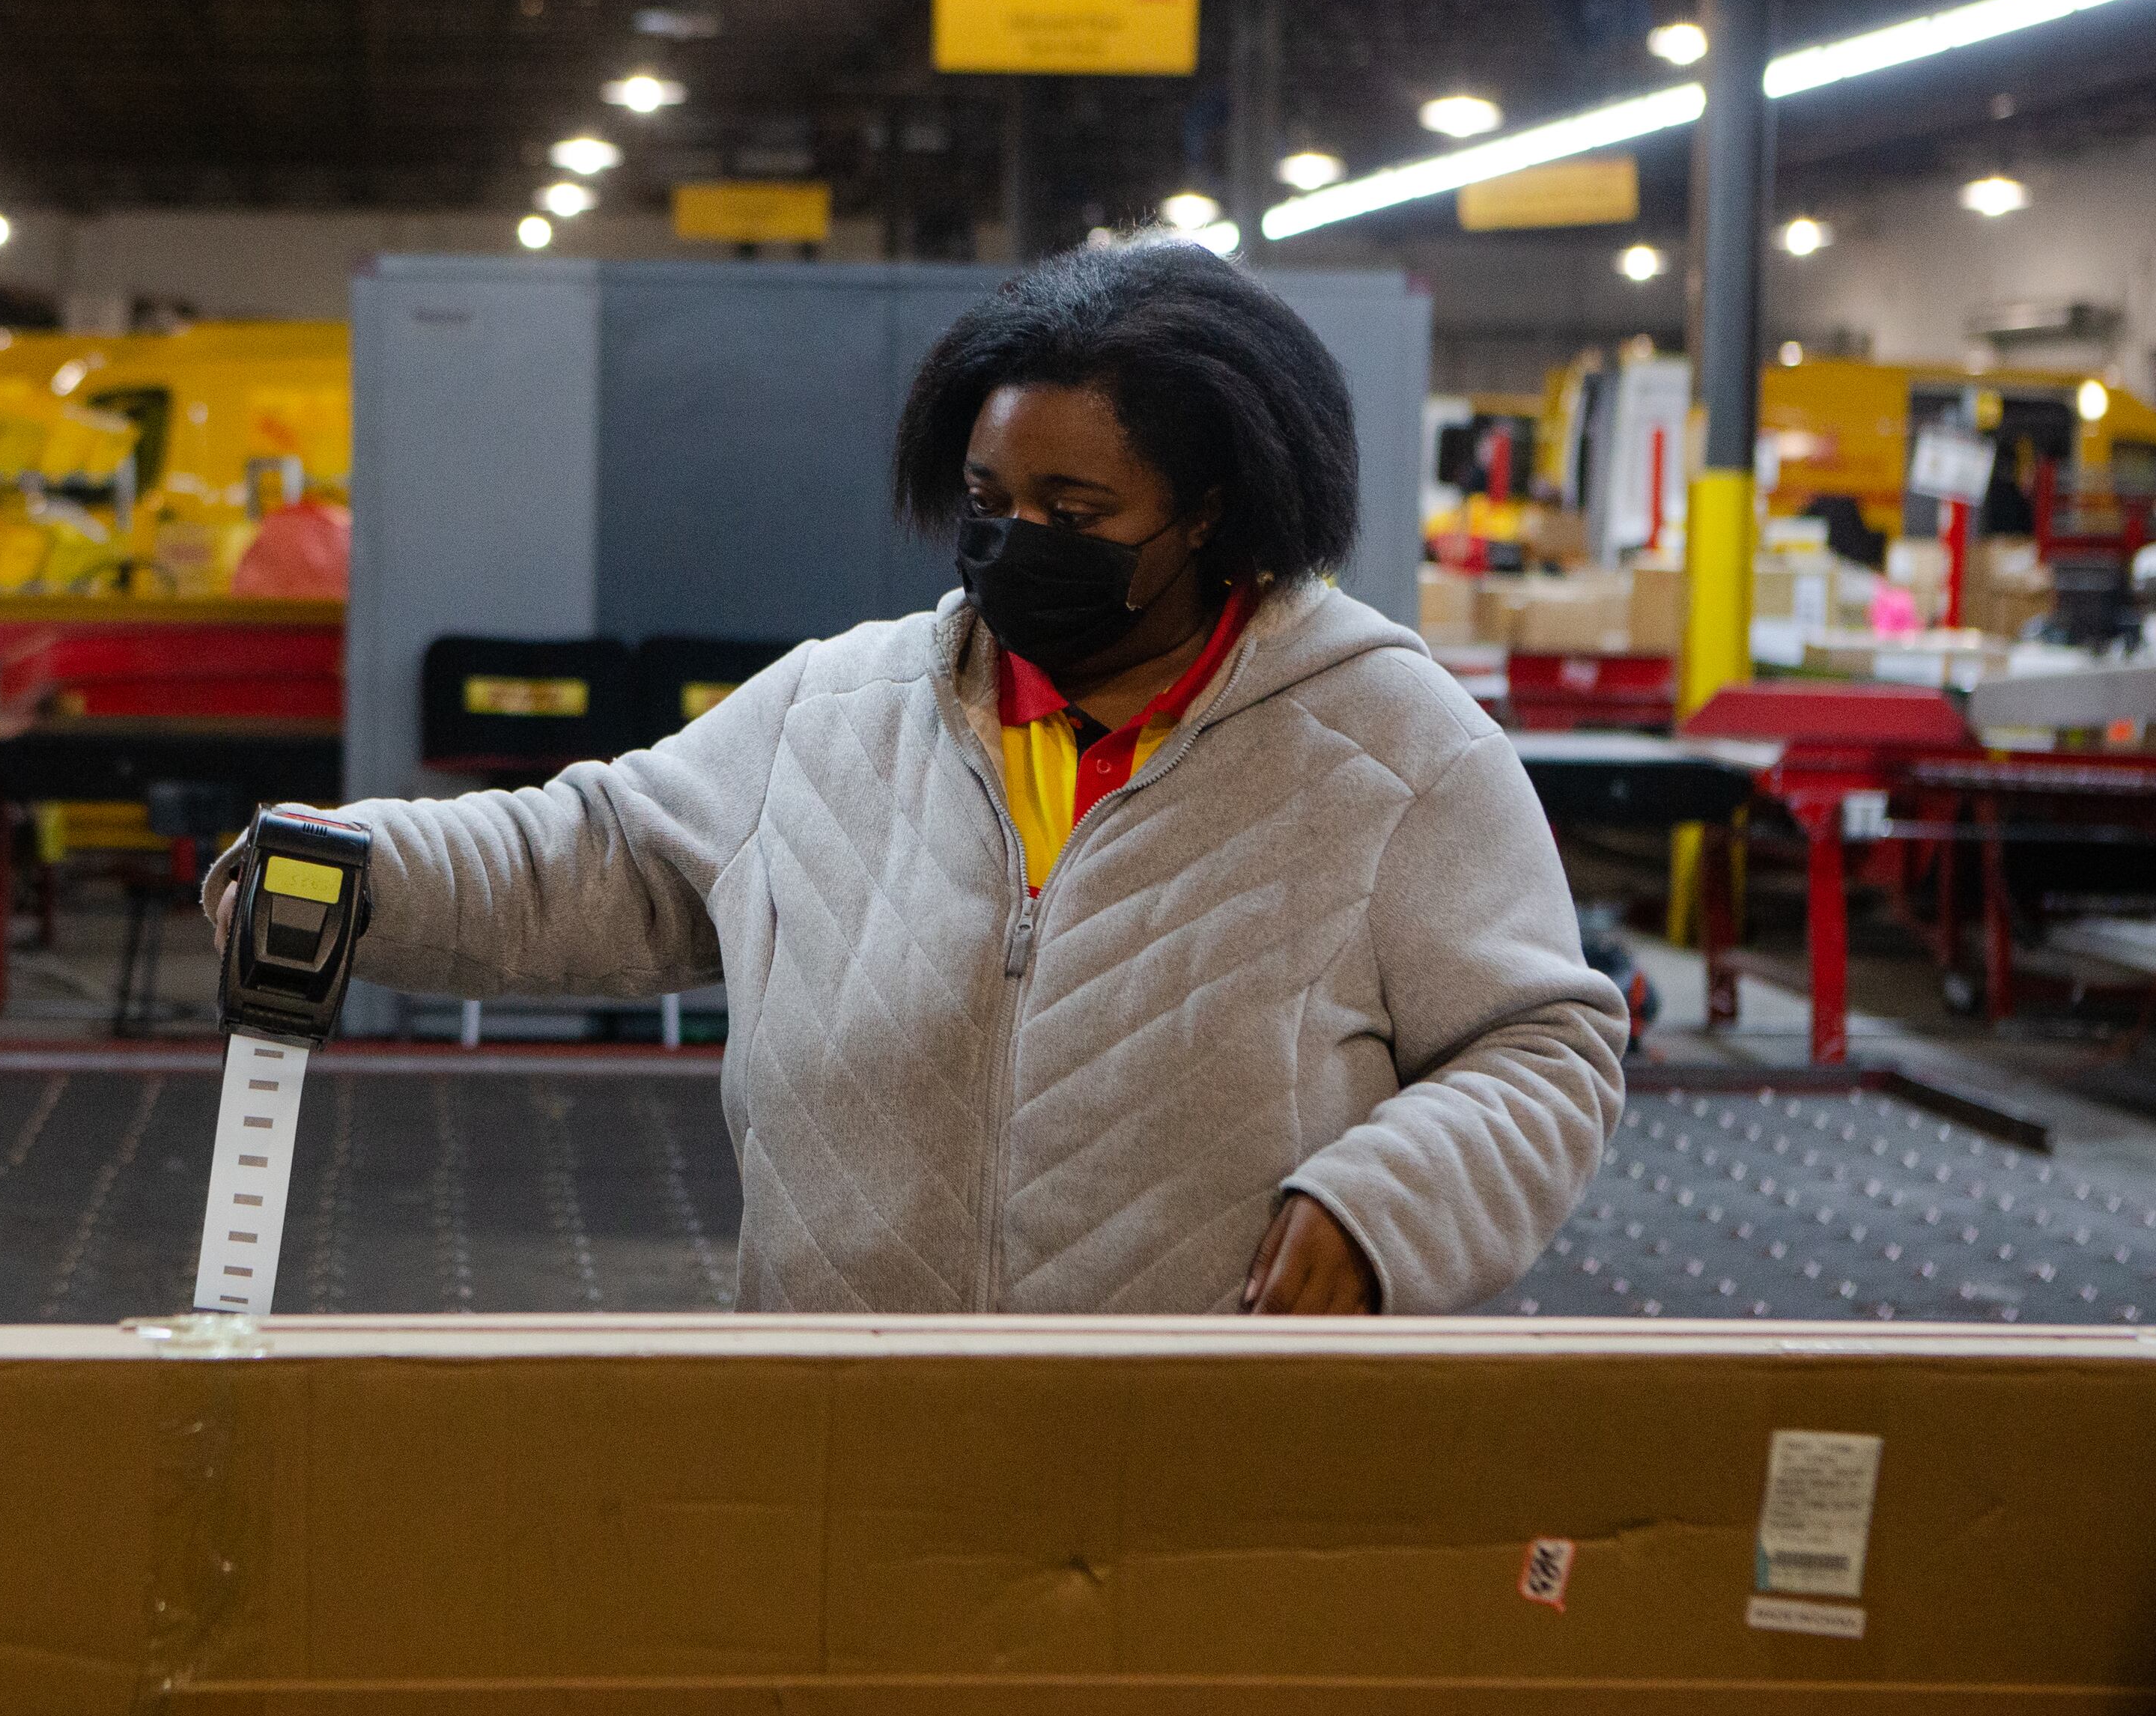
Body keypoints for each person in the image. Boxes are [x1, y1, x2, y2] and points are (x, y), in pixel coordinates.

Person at [210, 240, 1625, 1316]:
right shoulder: (837, 710)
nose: (1018, 543)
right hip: (839, 1420)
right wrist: (356, 870)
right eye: (991, 504)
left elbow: (1543, 1049)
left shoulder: (1392, 749)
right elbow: (603, 858)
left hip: (1206, 1444)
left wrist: (1385, 1213)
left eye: (1077, 515)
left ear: (1213, 513)